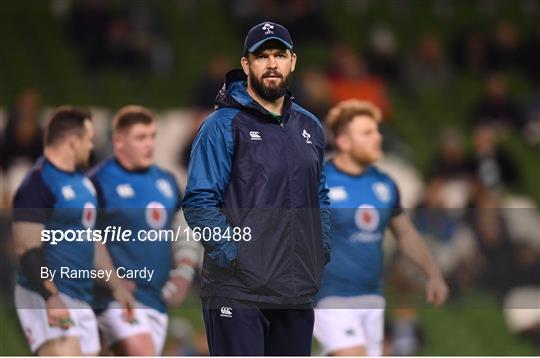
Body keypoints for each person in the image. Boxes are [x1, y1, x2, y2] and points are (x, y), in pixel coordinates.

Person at [183, 21, 331, 356]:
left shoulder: (310, 126)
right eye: (262, 56)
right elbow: (199, 202)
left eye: (279, 54)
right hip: (238, 291)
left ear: (293, 61)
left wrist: (319, 250)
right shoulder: (221, 125)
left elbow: (319, 194)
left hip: (295, 289)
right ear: (246, 64)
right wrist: (237, 259)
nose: (272, 63)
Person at [314, 100, 448, 356]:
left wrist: (432, 273)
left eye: (376, 131)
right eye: (366, 133)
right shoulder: (317, 180)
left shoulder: (384, 185)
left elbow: (406, 233)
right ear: (343, 141)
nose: (377, 138)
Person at [12, 106, 134, 356]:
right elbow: (26, 247)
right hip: (47, 296)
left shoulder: (84, 185)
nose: (91, 147)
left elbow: (92, 240)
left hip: (79, 298)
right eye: (88, 141)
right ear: (72, 142)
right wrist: (50, 297)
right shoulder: (38, 183)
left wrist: (117, 285)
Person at [89, 105, 198, 355]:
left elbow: (185, 225)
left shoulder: (166, 182)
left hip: (156, 301)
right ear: (118, 141)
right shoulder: (99, 182)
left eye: (152, 136)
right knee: (142, 351)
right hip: (115, 300)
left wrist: (183, 270)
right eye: (140, 137)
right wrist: (111, 280)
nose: (149, 144)